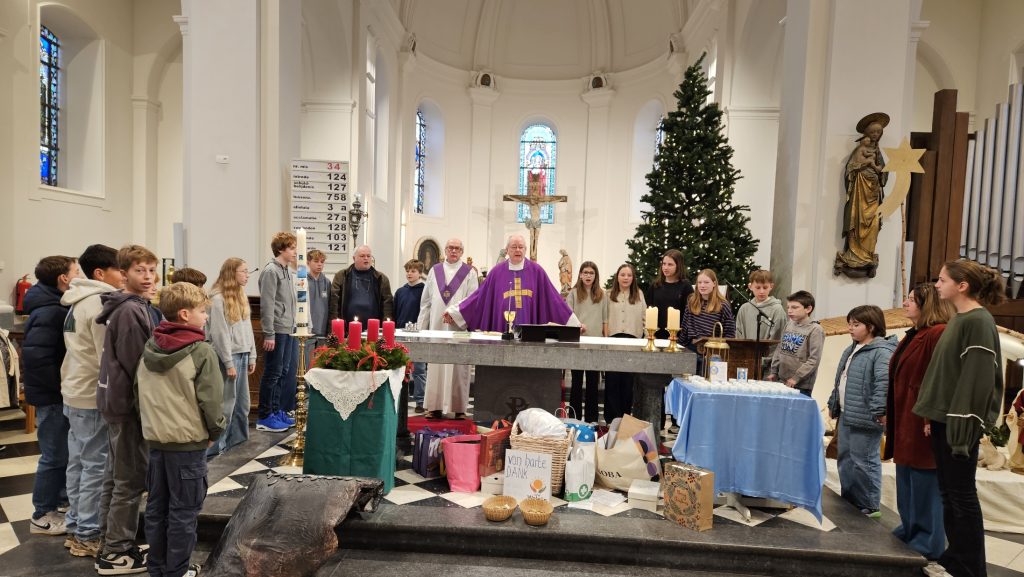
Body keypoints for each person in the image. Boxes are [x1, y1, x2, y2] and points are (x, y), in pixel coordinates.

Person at [914, 259, 1006, 577]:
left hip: (959, 422)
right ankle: (955, 558)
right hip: (946, 418)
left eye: (942, 280)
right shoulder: (959, 318)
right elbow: (947, 374)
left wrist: (963, 424)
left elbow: (977, 379)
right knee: (949, 493)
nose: (937, 285)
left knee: (962, 495)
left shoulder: (979, 320)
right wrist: (932, 414)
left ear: (962, 285)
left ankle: (970, 567)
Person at [138, 282, 225, 577]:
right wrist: (215, 432)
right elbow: (211, 400)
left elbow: (138, 393)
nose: (206, 316)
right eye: (202, 311)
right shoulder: (201, 351)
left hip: (156, 441)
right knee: (184, 513)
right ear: (185, 314)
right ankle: (177, 571)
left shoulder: (149, 347)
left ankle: (157, 569)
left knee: (156, 509)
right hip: (188, 445)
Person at [96, 244, 159, 574]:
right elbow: (140, 367)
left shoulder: (134, 306)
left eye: (151, 270)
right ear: (123, 273)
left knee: (116, 477)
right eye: (139, 270)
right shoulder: (130, 311)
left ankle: (109, 543)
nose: (148, 277)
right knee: (129, 481)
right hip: (128, 406)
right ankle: (116, 552)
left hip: (120, 403)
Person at [885, 283, 954, 567]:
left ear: (928, 305)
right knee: (907, 477)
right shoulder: (914, 334)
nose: (905, 303)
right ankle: (911, 527)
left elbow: (942, 378)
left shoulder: (938, 333)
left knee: (925, 480)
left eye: (912, 299)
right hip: (906, 416)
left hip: (923, 419)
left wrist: (931, 416)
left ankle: (929, 540)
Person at [60, 244, 123, 557]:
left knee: (79, 463)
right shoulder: (99, 302)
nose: (123, 275)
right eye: (119, 269)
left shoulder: (76, 299)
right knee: (96, 466)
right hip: (91, 393)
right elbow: (105, 357)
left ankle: (75, 526)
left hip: (74, 388)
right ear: (100, 273)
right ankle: (87, 534)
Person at [24, 255, 79, 536]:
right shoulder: (49, 311)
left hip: (56, 393)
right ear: (63, 279)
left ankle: (60, 503)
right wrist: (60, 388)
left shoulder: (55, 305)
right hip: (52, 396)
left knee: (63, 454)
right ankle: (41, 515)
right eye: (76, 271)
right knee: (54, 456)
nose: (80, 275)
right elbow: (38, 358)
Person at [827, 305, 895, 519]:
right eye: (850, 324)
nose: (850, 328)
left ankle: (869, 505)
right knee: (845, 459)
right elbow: (841, 379)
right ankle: (849, 501)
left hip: (866, 416)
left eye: (856, 324)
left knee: (864, 461)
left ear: (871, 327)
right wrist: (834, 403)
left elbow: (883, 384)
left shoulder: (882, 351)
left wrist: (879, 410)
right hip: (847, 413)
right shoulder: (852, 349)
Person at [446, 234, 578, 331]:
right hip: (500, 329)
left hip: (529, 329)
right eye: (514, 247)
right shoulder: (496, 272)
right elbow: (479, 297)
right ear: (507, 250)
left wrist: (574, 323)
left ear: (525, 250)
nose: (518, 250)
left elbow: (553, 298)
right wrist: (455, 312)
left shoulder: (537, 271)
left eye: (521, 247)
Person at [419, 239, 480, 419]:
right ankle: (434, 406)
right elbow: (426, 301)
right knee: (436, 365)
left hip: (459, 327)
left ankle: (459, 408)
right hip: (437, 327)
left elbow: (473, 300)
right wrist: (421, 328)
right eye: (451, 248)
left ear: (462, 252)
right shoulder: (435, 270)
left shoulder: (469, 272)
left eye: (457, 248)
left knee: (458, 367)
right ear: (445, 250)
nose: (454, 251)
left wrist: (455, 314)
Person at [207, 258, 257, 457]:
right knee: (226, 405)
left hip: (243, 354)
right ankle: (216, 448)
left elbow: (248, 327)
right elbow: (219, 334)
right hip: (227, 356)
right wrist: (228, 363)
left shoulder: (240, 295)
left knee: (242, 404)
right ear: (231, 273)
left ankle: (237, 442)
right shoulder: (218, 299)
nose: (247, 275)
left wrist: (252, 355)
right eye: (243, 271)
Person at [835, 113, 888, 276]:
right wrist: (861, 167)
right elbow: (850, 168)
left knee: (873, 223)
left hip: (873, 192)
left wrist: (881, 172)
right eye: (872, 132)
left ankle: (867, 255)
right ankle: (853, 254)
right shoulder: (859, 150)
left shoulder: (878, 152)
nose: (875, 135)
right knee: (856, 219)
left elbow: (884, 172)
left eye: (878, 132)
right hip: (860, 190)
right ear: (866, 134)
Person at [256, 232, 298, 433]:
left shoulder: (286, 270)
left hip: (287, 328)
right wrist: (269, 333)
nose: (295, 252)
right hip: (277, 329)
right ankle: (265, 416)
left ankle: (276, 410)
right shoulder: (271, 271)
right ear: (281, 249)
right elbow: (267, 304)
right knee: (273, 372)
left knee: (283, 371)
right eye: (292, 248)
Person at [603, 263, 646, 423]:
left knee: (628, 383)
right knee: (612, 381)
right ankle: (611, 419)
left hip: (632, 342)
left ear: (633, 278)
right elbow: (604, 318)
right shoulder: (608, 294)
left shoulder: (639, 294)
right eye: (623, 275)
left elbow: (645, 317)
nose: (626, 278)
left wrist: (647, 338)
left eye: (629, 275)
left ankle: (625, 419)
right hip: (613, 341)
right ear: (617, 277)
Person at [565, 261, 606, 422]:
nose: (588, 276)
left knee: (592, 382)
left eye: (591, 273)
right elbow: (568, 315)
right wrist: (577, 326)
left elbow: (605, 320)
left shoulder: (602, 295)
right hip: (578, 342)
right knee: (576, 381)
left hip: (595, 343)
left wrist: (605, 341)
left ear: (595, 276)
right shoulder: (573, 294)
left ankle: (591, 419)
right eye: (585, 272)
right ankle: (574, 418)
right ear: (580, 275)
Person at [767, 291, 825, 397]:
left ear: (808, 309)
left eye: (794, 307)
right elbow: (780, 349)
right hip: (781, 381)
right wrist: (774, 371)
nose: (789, 311)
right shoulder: (789, 325)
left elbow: (814, 359)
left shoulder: (815, 329)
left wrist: (796, 378)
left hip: (800, 386)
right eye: (788, 307)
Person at [329, 244, 395, 325]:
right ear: (354, 258)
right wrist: (333, 327)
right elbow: (334, 303)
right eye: (362, 256)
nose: (366, 258)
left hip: (373, 328)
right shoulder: (342, 276)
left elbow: (387, 305)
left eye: (368, 256)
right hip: (347, 327)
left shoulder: (381, 278)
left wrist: (385, 326)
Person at [394, 259, 427, 413]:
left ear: (420, 273)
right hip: (400, 333)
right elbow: (395, 312)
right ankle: (400, 399)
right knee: (400, 368)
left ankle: (420, 401)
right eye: (407, 271)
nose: (409, 273)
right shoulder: (400, 291)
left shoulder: (425, 290)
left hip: (418, 334)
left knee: (419, 369)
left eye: (413, 271)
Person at [646, 249, 694, 340]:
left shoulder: (685, 286)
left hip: (677, 337)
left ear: (678, 266)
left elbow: (689, 316)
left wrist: (682, 337)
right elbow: (649, 311)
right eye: (664, 264)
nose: (665, 267)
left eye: (670, 264)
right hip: (656, 336)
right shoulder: (655, 286)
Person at [735, 269, 786, 343]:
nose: (761, 291)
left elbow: (777, 339)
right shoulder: (744, 309)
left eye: (765, 287)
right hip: (746, 350)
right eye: (758, 287)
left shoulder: (777, 309)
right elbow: (739, 334)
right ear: (750, 286)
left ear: (771, 286)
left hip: (767, 350)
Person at [306, 249, 331, 359]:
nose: (319, 264)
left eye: (322, 262)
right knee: (306, 364)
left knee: (320, 364)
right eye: (316, 261)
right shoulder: (302, 281)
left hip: (323, 331)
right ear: (308, 262)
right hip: (308, 332)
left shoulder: (327, 282)